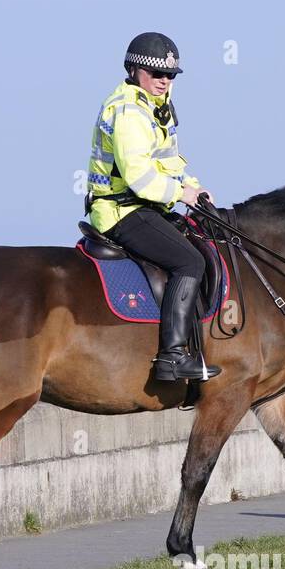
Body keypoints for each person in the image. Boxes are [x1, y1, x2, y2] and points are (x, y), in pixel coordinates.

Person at [86, 32, 222, 382]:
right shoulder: (129, 111)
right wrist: (181, 195)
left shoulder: (157, 108)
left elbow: (168, 162)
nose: (164, 81)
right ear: (133, 70)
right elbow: (138, 177)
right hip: (121, 211)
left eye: (171, 76)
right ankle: (172, 356)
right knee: (189, 260)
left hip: (147, 208)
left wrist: (193, 188)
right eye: (156, 74)